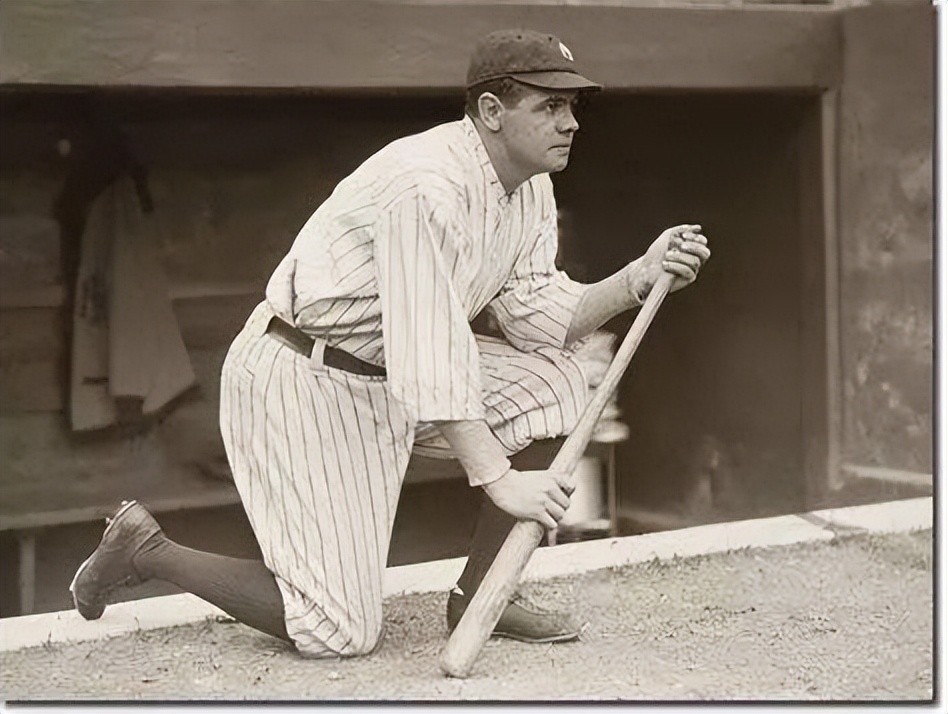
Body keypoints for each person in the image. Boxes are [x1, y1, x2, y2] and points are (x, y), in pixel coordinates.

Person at [70, 29, 710, 658]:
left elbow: (535, 315)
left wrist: (636, 278)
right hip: (306, 377)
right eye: (550, 105)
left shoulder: (529, 187)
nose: (570, 122)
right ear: (492, 111)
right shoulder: (427, 184)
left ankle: (483, 596)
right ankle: (146, 550)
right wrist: (499, 477)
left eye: (570, 105)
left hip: (391, 378)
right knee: (338, 630)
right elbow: (430, 355)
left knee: (557, 384)